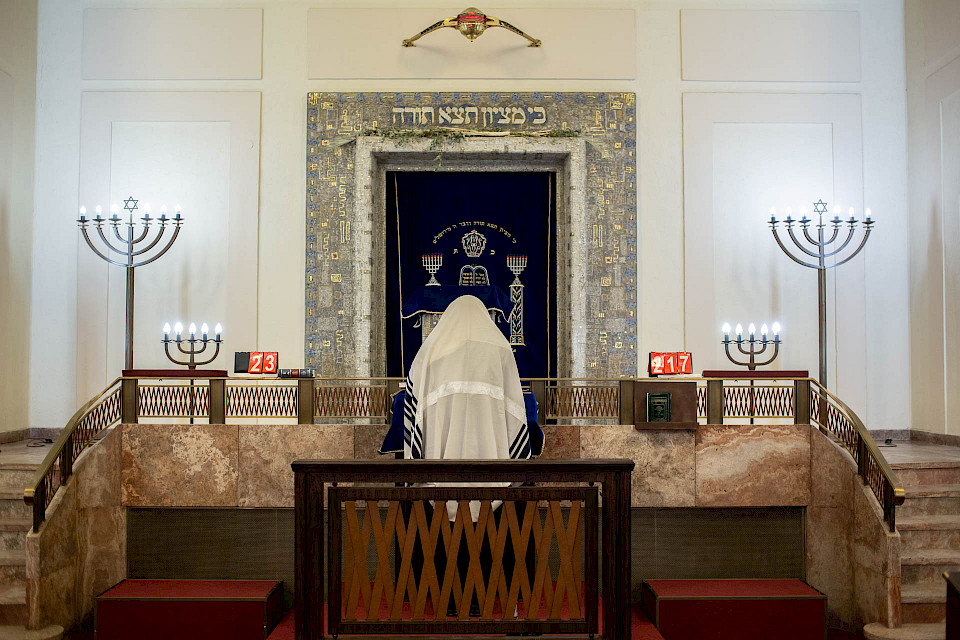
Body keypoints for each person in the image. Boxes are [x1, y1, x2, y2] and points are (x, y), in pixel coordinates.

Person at [402, 294, 532, 617]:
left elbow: (413, 409)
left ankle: (449, 600)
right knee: (490, 534)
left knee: (448, 533)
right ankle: (486, 598)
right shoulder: (500, 348)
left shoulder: (433, 349)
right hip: (493, 477)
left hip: (442, 474)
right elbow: (517, 414)